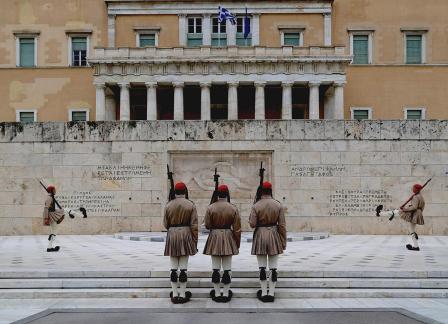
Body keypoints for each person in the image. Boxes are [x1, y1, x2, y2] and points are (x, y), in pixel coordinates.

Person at [203, 184, 241, 303]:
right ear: (227, 194)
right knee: (227, 268)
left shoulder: (210, 208)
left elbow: (208, 225)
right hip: (228, 236)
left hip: (214, 237)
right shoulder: (233, 208)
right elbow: (237, 228)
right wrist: (236, 243)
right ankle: (225, 293)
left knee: (215, 268)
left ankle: (217, 292)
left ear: (217, 194)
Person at [249, 181, 286, 302]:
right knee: (273, 268)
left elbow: (252, 224)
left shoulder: (256, 205)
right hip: (274, 234)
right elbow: (282, 226)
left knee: (262, 267)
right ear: (271, 190)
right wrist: (283, 242)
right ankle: (271, 293)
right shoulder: (278, 205)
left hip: (260, 234)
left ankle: (264, 292)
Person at [163, 182, 198, 304]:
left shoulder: (168, 205)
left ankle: (174, 293)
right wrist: (195, 241)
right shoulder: (190, 205)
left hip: (172, 234)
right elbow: (194, 225)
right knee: (183, 268)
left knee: (173, 268)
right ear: (185, 192)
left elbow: (165, 224)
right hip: (185, 234)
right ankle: (182, 294)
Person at [376, 184, 425, 251]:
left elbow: (414, 207)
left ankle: (380, 213)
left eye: (413, 188)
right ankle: (416, 245)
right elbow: (422, 207)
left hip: (412, 213)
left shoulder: (416, 197)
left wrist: (405, 209)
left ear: (416, 189)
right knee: (411, 229)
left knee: (397, 212)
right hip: (416, 213)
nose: (412, 189)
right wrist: (418, 213)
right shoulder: (421, 197)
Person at [43, 185, 87, 252]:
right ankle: (81, 214)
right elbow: (46, 208)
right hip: (52, 215)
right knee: (65, 210)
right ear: (51, 191)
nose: (55, 191)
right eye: (54, 190)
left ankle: (49, 247)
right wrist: (46, 218)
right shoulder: (49, 198)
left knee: (54, 232)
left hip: (53, 214)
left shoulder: (51, 197)